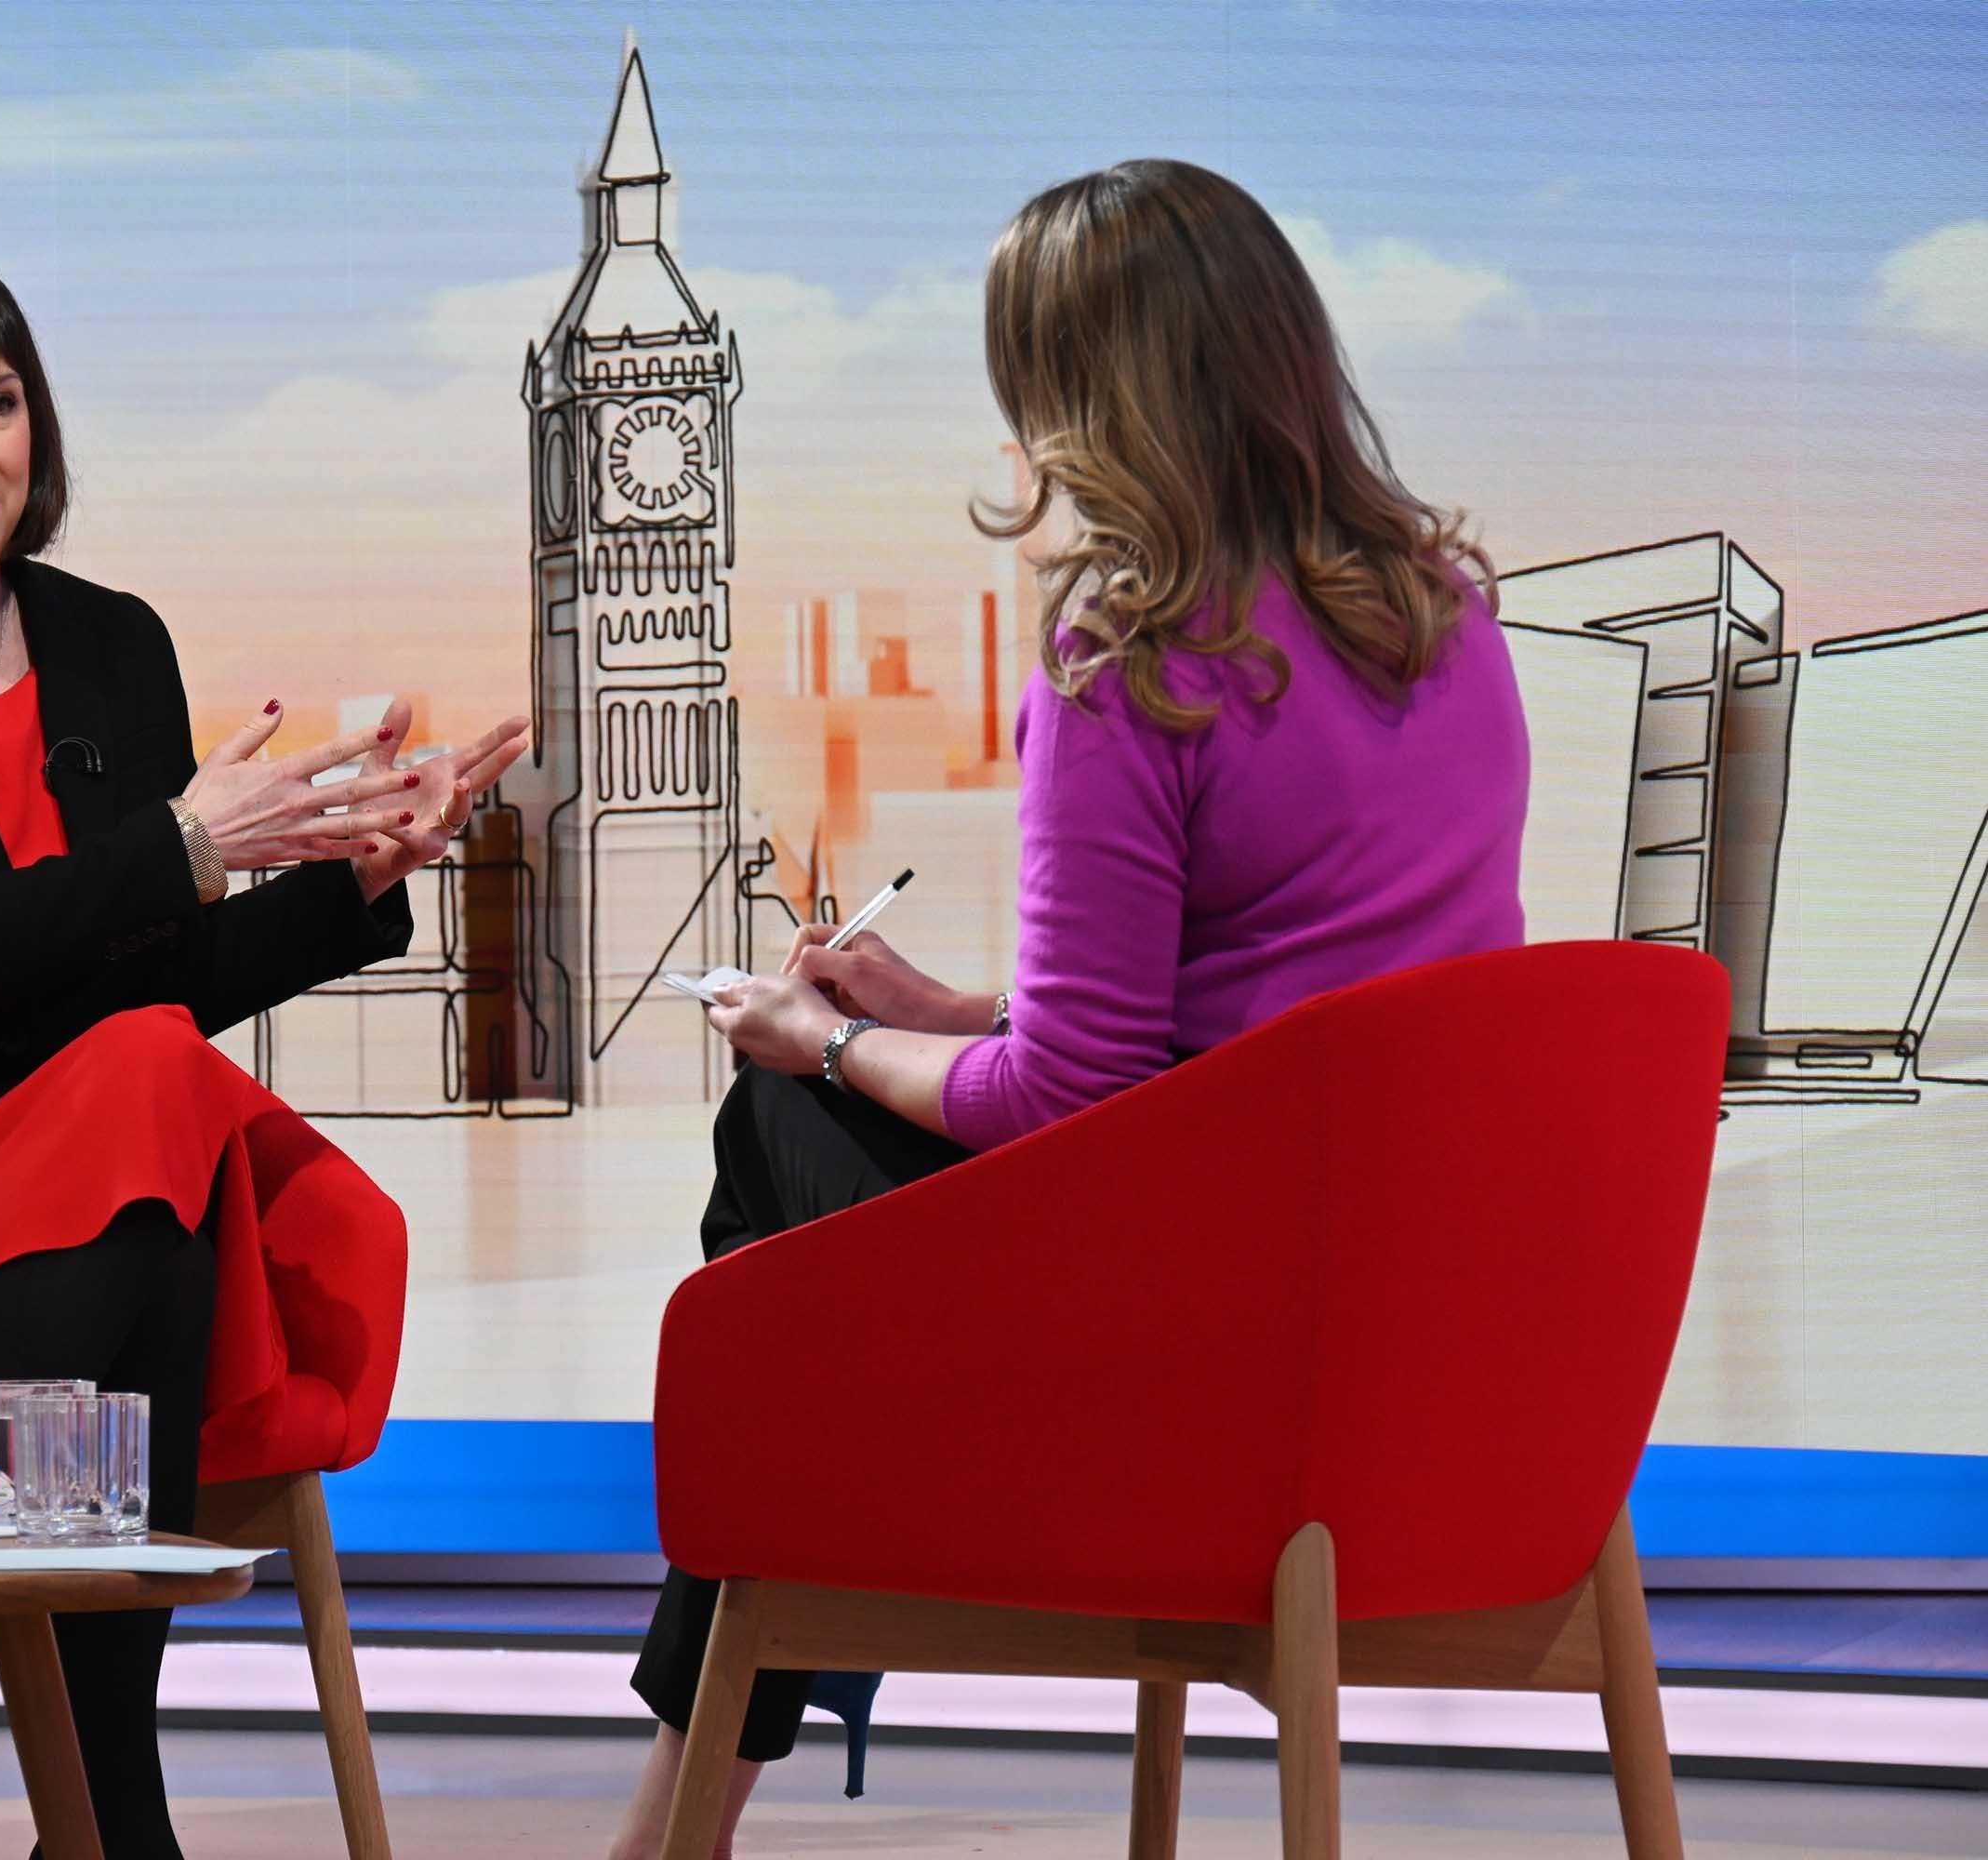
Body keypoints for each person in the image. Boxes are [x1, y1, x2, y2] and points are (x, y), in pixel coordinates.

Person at [605, 158, 1531, 1860]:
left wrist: (817, 1035)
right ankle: (721, 1741)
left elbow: (1075, 1114)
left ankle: (701, 1784)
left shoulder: (1134, 662)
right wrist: (938, 1006)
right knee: (813, 1275)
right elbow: (1269, 1017)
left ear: (1075, 395)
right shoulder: (1448, 626)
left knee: (784, 1146)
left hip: (1213, 1391)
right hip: (1440, 1363)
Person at [0, 243, 526, 1860]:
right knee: (147, 1104)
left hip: (63, 1195)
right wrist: (180, 849)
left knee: (146, 1088)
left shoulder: (109, 644)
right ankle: (109, 1804)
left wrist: (358, 878)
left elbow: (166, 971)